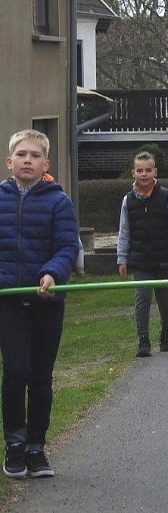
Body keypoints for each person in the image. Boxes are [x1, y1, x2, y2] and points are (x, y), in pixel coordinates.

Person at [0, 129, 79, 479]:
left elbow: (66, 247)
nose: (27, 160)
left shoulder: (59, 202)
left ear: (46, 163)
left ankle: (36, 447)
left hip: (47, 300)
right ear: (9, 161)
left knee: (40, 377)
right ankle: (14, 444)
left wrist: (51, 274)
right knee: (16, 371)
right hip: (9, 300)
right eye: (21, 154)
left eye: (34, 155)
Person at [116, 151, 168, 358]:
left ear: (155, 172)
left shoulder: (167, 197)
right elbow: (124, 231)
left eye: (148, 170)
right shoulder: (128, 201)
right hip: (139, 259)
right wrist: (122, 258)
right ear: (133, 173)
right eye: (139, 170)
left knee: (164, 298)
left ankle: (166, 333)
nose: (144, 174)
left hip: (162, 258)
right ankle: (143, 339)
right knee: (142, 298)